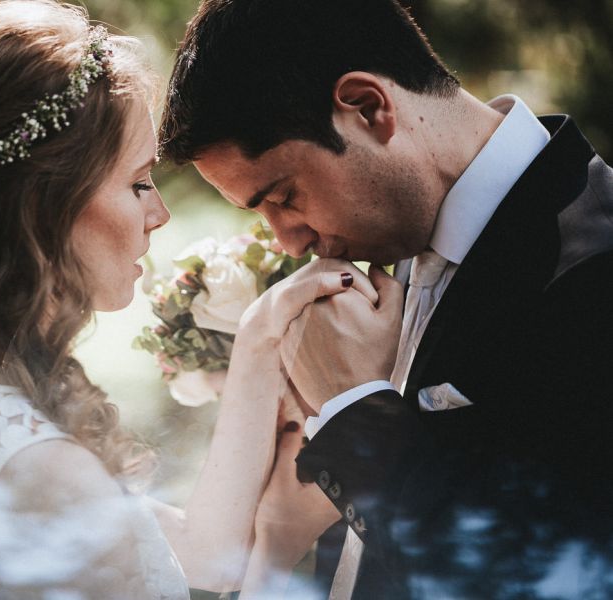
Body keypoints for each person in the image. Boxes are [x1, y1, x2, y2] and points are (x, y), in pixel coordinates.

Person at [0, 1, 374, 598]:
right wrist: (282, 541)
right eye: (138, 183)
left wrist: (262, 338)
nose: (159, 213)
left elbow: (198, 556)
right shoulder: (45, 476)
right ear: (41, 206)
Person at [160, 0, 613, 597]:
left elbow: (541, 577)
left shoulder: (595, 270)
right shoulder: (383, 244)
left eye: (284, 196)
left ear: (368, 108)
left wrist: (354, 413)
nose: (288, 243)